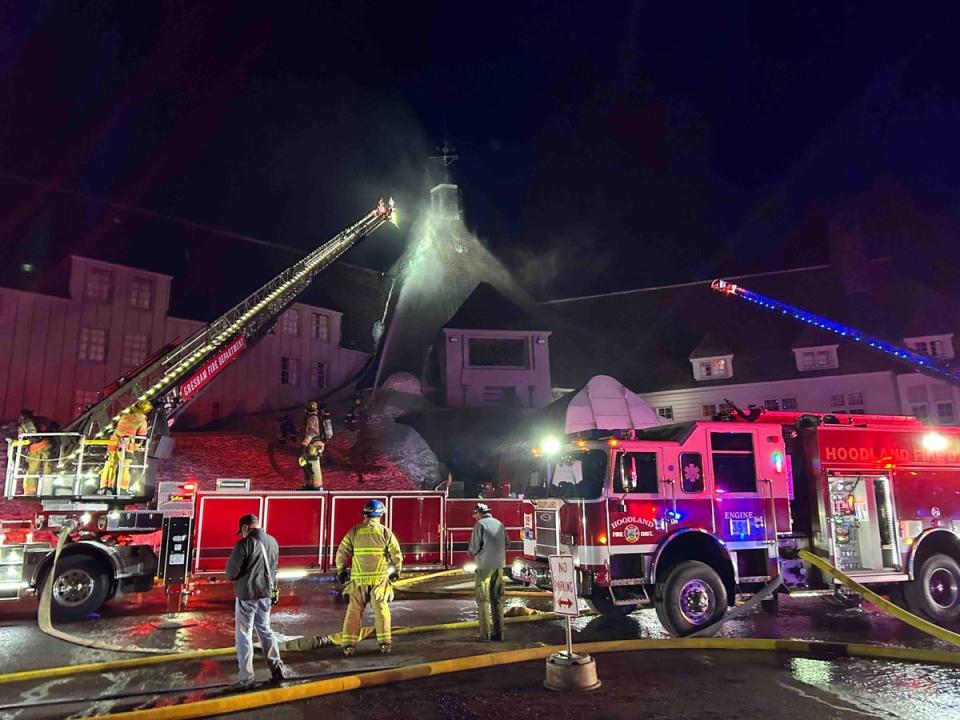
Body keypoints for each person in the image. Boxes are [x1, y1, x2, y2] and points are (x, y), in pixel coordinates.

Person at [225, 513, 288, 689]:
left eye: (242, 531)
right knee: (265, 630)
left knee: (244, 635)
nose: (242, 534)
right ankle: (277, 669)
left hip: (247, 596)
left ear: (246, 527)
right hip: (266, 595)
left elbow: (231, 573)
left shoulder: (244, 544)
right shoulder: (273, 541)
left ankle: (246, 679)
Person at [335, 499, 403, 656]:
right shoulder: (385, 532)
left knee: (353, 611)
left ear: (365, 514)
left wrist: (341, 571)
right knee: (381, 610)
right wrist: (396, 571)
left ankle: (348, 646)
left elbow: (341, 553)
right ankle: (384, 644)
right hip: (379, 581)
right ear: (380, 515)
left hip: (358, 581)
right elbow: (396, 554)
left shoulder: (354, 531)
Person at [468, 502, 506, 642]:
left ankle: (485, 635)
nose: (474, 517)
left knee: (483, 600)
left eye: (475, 514)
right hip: (499, 566)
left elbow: (474, 547)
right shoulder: (500, 524)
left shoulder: (480, 525)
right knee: (497, 599)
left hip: (484, 567)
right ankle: (499, 633)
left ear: (479, 513)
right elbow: (507, 543)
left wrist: (471, 553)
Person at [98, 400, 151, 495]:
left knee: (110, 465)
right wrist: (137, 447)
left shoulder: (124, 416)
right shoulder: (142, 421)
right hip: (126, 447)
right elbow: (140, 438)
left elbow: (116, 429)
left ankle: (105, 488)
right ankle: (122, 489)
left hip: (113, 444)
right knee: (125, 468)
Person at [17, 409, 50, 495]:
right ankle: (47, 490)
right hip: (47, 445)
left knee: (31, 470)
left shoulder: (26, 422)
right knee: (48, 468)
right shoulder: (39, 420)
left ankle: (29, 491)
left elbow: (32, 434)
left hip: (36, 448)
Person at [299, 401, 324, 490]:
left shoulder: (312, 418)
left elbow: (311, 433)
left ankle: (317, 487)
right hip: (314, 445)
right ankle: (310, 485)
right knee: (308, 465)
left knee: (313, 466)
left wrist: (304, 445)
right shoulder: (314, 417)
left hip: (314, 445)